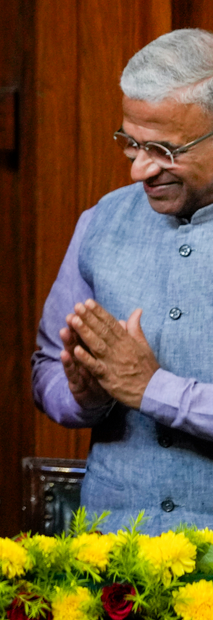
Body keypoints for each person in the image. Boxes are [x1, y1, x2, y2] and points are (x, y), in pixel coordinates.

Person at [33, 28, 213, 532]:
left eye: (162, 148)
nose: (139, 169)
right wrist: (84, 396)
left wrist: (153, 388)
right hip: (111, 562)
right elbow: (46, 365)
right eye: (130, 143)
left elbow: (146, 386)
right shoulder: (102, 221)